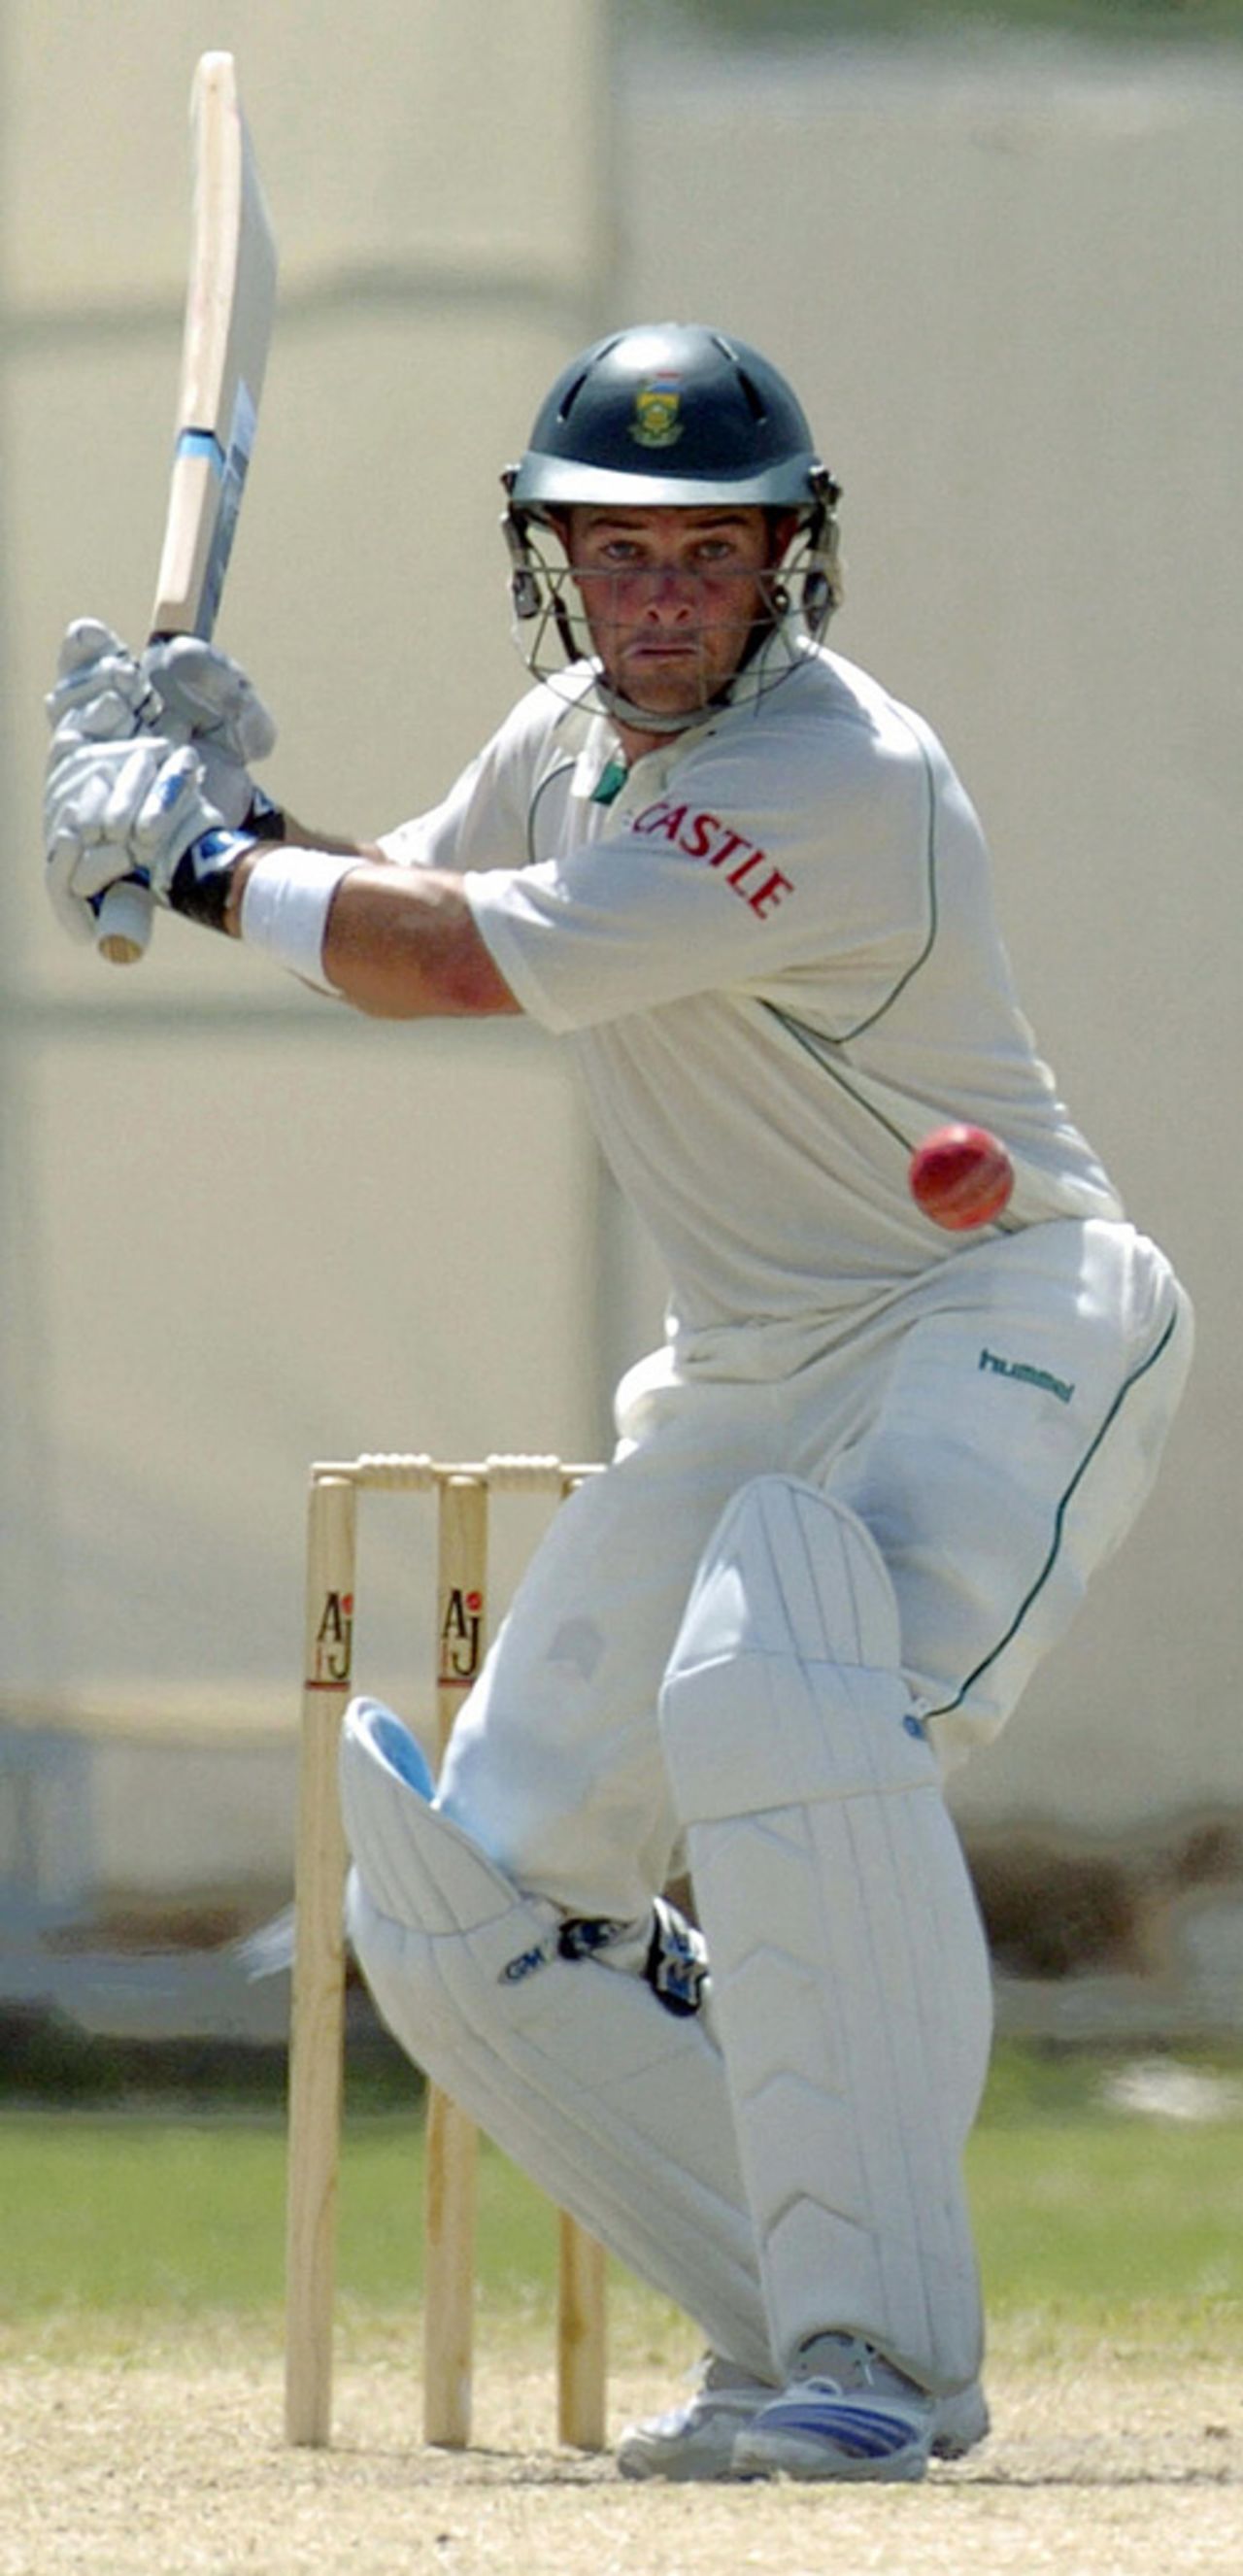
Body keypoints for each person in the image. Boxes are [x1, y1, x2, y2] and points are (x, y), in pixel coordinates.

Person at [43, 323, 1193, 2483]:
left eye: (709, 551)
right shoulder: (563, 740)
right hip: (747, 1368)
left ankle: (873, 2360)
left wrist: (189, 862)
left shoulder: (834, 776)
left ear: (785, 563)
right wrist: (223, 807)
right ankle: (800, 2329)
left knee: (784, 1696)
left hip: (991, 1310)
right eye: (619, 550)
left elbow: (470, 965)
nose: (663, 592)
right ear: (553, 561)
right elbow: (414, 900)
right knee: (464, 1906)